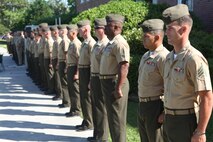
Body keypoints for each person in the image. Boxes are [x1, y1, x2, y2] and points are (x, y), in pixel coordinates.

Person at [162, 4, 213, 142]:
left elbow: (207, 97)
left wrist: (201, 131)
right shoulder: (169, 57)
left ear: (183, 29)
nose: (166, 33)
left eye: (170, 29)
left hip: (185, 121)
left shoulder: (194, 58)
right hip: (169, 120)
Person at [99, 14, 130, 142]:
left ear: (117, 27)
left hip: (114, 83)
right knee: (112, 118)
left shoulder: (120, 43)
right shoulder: (111, 43)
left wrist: (118, 88)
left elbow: (124, 65)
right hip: (108, 82)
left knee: (117, 119)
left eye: (108, 25)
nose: (105, 28)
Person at [137, 19, 169, 142]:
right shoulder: (146, 55)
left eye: (146, 36)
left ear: (156, 37)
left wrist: (164, 112)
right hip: (143, 105)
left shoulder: (164, 57)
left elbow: (170, 87)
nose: (142, 39)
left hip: (155, 106)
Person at [88, 18, 109, 142]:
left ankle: (102, 137)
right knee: (95, 106)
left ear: (103, 29)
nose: (95, 30)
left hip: (101, 77)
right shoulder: (97, 43)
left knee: (101, 107)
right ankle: (97, 133)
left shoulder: (106, 44)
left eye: (97, 28)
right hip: (94, 76)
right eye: (95, 28)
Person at [75, 19, 96, 131]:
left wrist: (90, 80)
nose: (78, 32)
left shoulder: (91, 43)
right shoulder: (84, 42)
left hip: (87, 71)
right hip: (83, 71)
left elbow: (93, 63)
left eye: (80, 30)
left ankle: (89, 122)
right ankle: (86, 120)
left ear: (86, 30)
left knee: (87, 98)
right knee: (83, 97)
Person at [65, 24, 82, 117]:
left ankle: (77, 109)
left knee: (75, 90)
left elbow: (79, 59)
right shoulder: (71, 43)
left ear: (74, 33)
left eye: (68, 32)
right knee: (71, 89)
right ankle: (72, 108)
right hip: (70, 67)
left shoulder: (76, 43)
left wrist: (77, 73)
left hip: (75, 67)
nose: (67, 34)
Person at [57, 24, 71, 108]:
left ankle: (67, 102)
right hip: (61, 62)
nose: (59, 32)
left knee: (65, 83)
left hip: (64, 62)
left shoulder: (65, 40)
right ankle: (65, 100)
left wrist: (66, 66)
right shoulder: (62, 40)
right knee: (63, 82)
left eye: (60, 30)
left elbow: (66, 54)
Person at [50, 25, 63, 101]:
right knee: (56, 77)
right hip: (55, 60)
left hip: (57, 60)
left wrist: (57, 63)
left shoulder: (58, 41)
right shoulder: (56, 40)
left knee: (58, 78)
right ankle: (58, 93)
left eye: (52, 32)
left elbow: (59, 53)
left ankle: (60, 94)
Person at [43, 27, 55, 95]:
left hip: (48, 59)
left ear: (47, 33)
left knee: (50, 75)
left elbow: (51, 53)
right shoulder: (47, 40)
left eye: (44, 33)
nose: (43, 34)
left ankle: (51, 89)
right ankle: (49, 87)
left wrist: (50, 63)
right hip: (46, 58)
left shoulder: (50, 41)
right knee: (48, 75)